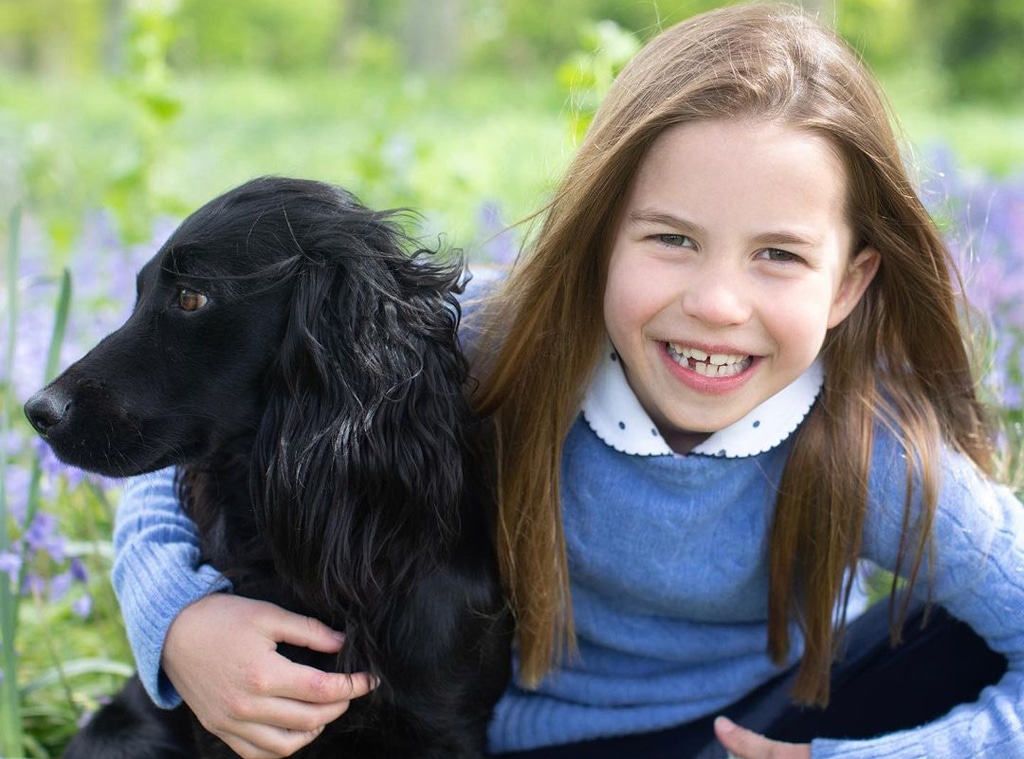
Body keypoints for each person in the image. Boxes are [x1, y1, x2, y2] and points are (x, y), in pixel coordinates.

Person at [109, 3, 1024, 758]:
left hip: (762, 730)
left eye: (778, 256)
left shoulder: (871, 448)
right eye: (672, 238)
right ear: (599, 237)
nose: (715, 303)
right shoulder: (497, 342)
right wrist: (180, 623)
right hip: (522, 743)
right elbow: (194, 416)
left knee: (961, 631)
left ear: (850, 283)